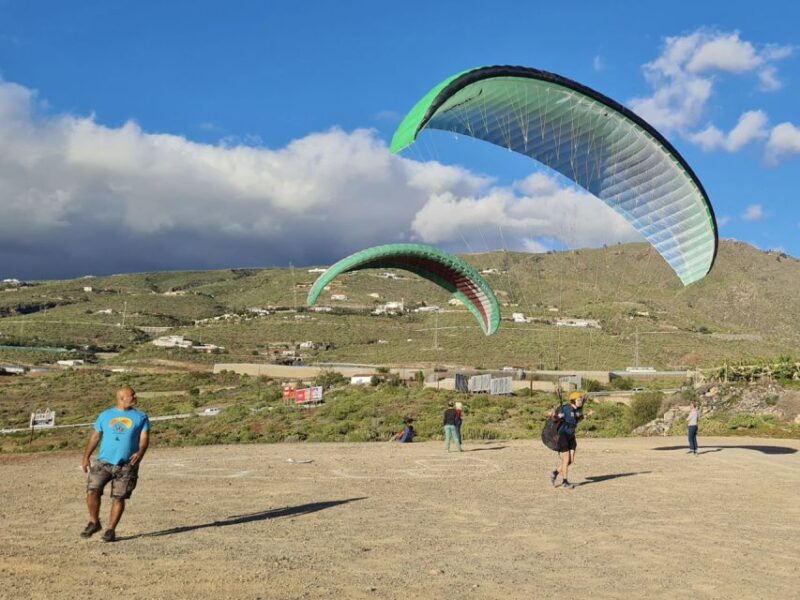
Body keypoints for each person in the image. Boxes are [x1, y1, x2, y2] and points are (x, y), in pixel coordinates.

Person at [80, 386, 150, 542]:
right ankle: (94, 521)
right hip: (104, 462)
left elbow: (144, 438)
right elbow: (95, 436)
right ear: (121, 398)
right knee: (92, 491)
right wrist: (86, 457)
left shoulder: (141, 417)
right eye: (132, 395)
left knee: (119, 497)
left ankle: (110, 529)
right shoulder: (105, 415)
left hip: (126, 464)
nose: (135, 397)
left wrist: (140, 452)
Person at [549, 391, 593, 489]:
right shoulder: (565, 408)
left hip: (571, 436)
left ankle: (555, 473)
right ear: (573, 401)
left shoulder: (577, 410)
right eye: (578, 400)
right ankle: (565, 482)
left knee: (570, 461)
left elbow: (579, 418)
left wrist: (589, 414)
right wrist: (554, 416)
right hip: (563, 435)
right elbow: (555, 418)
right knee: (566, 459)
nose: (580, 401)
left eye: (581, 400)